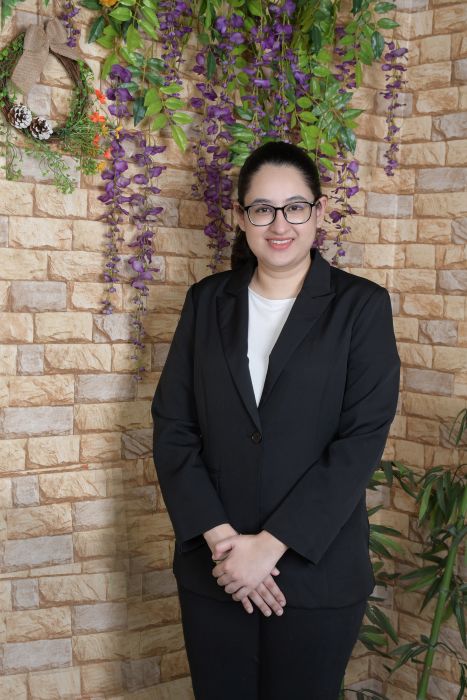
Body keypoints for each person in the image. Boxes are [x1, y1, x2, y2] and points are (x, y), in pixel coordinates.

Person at [151, 140, 401, 700]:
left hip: (316, 573)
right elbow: (173, 427)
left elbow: (359, 442)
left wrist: (269, 546)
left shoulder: (361, 307)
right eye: (263, 209)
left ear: (319, 212)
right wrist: (225, 544)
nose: (279, 224)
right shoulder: (205, 302)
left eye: (295, 207)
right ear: (240, 217)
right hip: (217, 571)